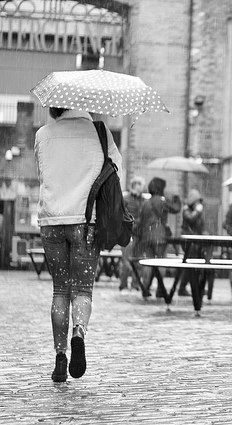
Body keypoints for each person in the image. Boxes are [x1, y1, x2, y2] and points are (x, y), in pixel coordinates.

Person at [35, 107, 123, 382]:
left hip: (51, 220)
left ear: (54, 108)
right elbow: (116, 166)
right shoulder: (98, 131)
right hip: (86, 221)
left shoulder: (43, 134)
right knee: (82, 289)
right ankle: (78, 334)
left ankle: (60, 357)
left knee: (60, 290)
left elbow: (42, 171)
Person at [136, 177, 181, 297]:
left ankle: (146, 288)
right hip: (160, 237)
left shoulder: (146, 203)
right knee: (160, 261)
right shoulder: (162, 201)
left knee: (148, 263)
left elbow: (141, 222)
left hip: (146, 237)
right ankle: (160, 290)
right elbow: (176, 209)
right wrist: (176, 198)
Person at [177, 188, 207, 297]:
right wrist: (197, 211)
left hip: (196, 240)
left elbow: (201, 226)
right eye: (197, 201)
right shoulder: (186, 209)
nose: (199, 203)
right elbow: (190, 219)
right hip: (188, 241)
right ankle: (182, 288)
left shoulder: (198, 210)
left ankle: (197, 287)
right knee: (190, 264)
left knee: (196, 264)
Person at [119, 176, 145, 291]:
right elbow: (122, 215)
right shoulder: (126, 199)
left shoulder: (143, 200)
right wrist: (133, 222)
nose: (140, 187)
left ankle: (135, 283)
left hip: (139, 235)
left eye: (141, 185)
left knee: (138, 261)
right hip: (127, 234)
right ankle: (123, 284)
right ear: (134, 185)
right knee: (126, 261)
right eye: (138, 185)